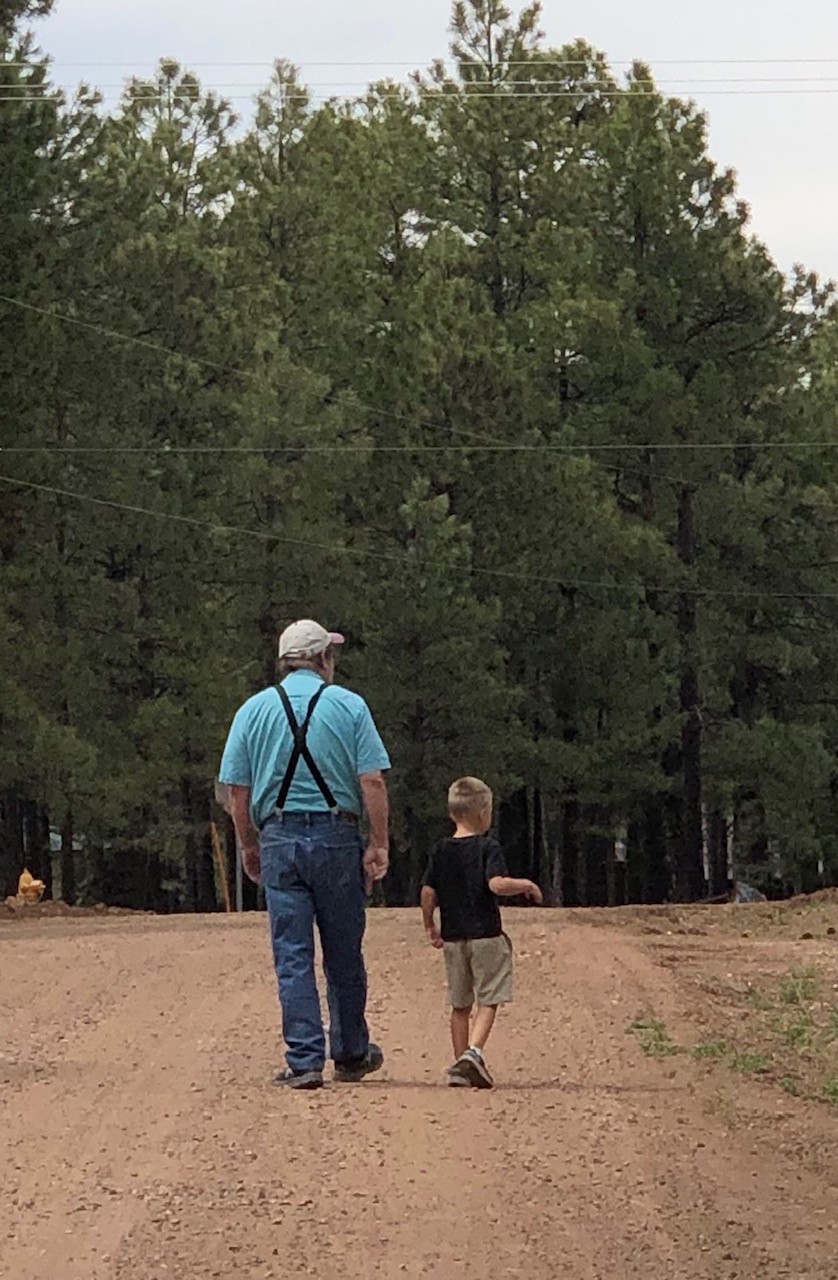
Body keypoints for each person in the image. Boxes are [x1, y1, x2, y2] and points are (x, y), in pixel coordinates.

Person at [219, 619, 391, 1090]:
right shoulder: (350, 706)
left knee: (292, 954)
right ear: (323, 661)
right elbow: (372, 781)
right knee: (343, 952)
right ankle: (352, 1053)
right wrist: (379, 843)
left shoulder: (252, 710)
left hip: (279, 838)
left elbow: (236, 789)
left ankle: (304, 1060)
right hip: (338, 837)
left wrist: (248, 844)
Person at [420, 776, 542, 1089]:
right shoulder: (488, 847)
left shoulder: (440, 850)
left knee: (460, 1004)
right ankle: (473, 1053)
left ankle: (460, 1063)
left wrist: (430, 926)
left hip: (453, 937)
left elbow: (428, 893)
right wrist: (525, 885)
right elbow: (496, 884)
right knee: (489, 998)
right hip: (486, 935)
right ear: (484, 813)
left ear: (451, 813)